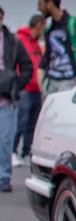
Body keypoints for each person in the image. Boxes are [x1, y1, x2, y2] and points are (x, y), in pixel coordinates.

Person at [0, 6, 34, 192]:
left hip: (6, 99)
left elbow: (27, 66)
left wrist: (16, 85)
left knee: (5, 140)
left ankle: (3, 177)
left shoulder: (13, 42)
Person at [12, 14, 46, 166]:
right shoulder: (20, 40)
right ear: (39, 25)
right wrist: (18, 84)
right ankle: (12, 152)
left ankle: (26, 152)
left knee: (32, 124)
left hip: (35, 89)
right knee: (20, 123)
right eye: (43, 26)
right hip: (24, 89)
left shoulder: (36, 43)